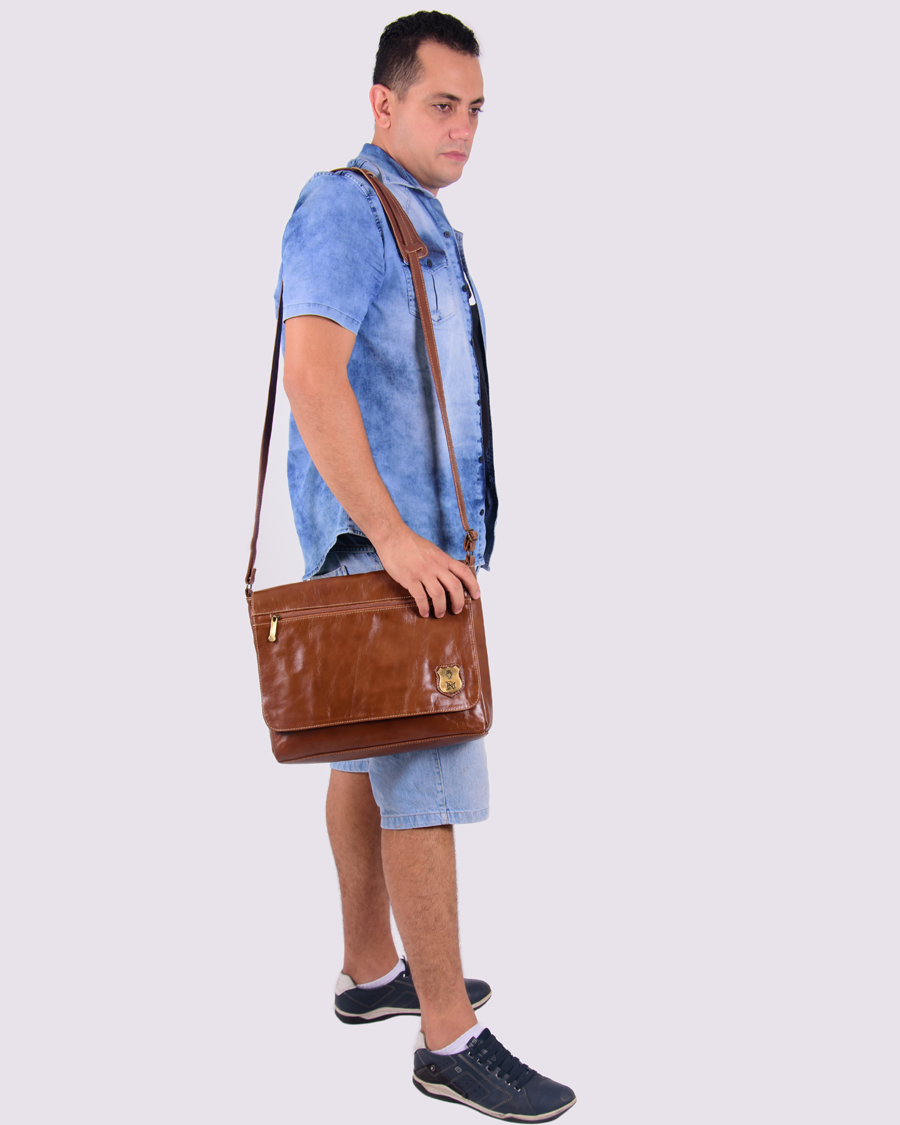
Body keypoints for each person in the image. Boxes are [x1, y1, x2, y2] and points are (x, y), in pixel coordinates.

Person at [275, 11, 576, 1120]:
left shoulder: (417, 216)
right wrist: (399, 540)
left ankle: (371, 973)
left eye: (477, 109)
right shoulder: (347, 207)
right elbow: (312, 374)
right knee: (429, 770)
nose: (464, 128)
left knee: (364, 754)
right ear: (383, 103)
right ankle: (450, 1037)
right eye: (443, 104)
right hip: (388, 552)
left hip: (399, 548)